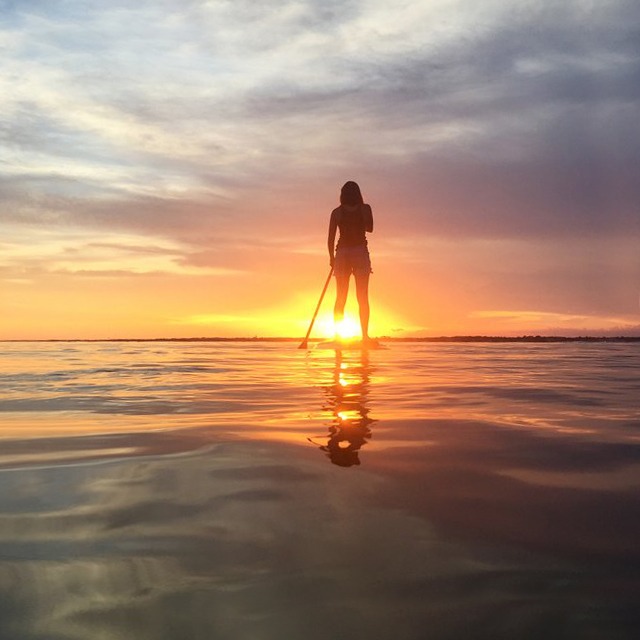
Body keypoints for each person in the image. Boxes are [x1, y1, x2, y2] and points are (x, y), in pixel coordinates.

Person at [327, 181, 374, 342]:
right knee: (363, 296)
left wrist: (332, 258)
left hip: (342, 253)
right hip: (359, 251)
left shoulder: (336, 212)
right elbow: (370, 228)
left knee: (341, 297)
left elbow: (330, 238)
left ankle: (338, 336)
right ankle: (365, 336)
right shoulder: (365, 208)